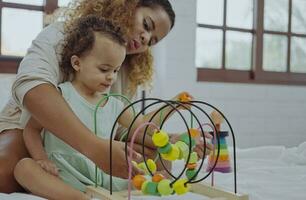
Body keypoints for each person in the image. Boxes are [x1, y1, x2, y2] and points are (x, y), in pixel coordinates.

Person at [0, 0, 176, 193]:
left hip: (90, 152)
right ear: (127, 6)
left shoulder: (125, 71)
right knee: (5, 171)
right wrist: (93, 147)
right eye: (146, 25)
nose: (145, 38)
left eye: (152, 41)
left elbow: (126, 126)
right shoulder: (63, 35)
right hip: (24, 125)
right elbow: (33, 89)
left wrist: (170, 141)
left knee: (153, 154)